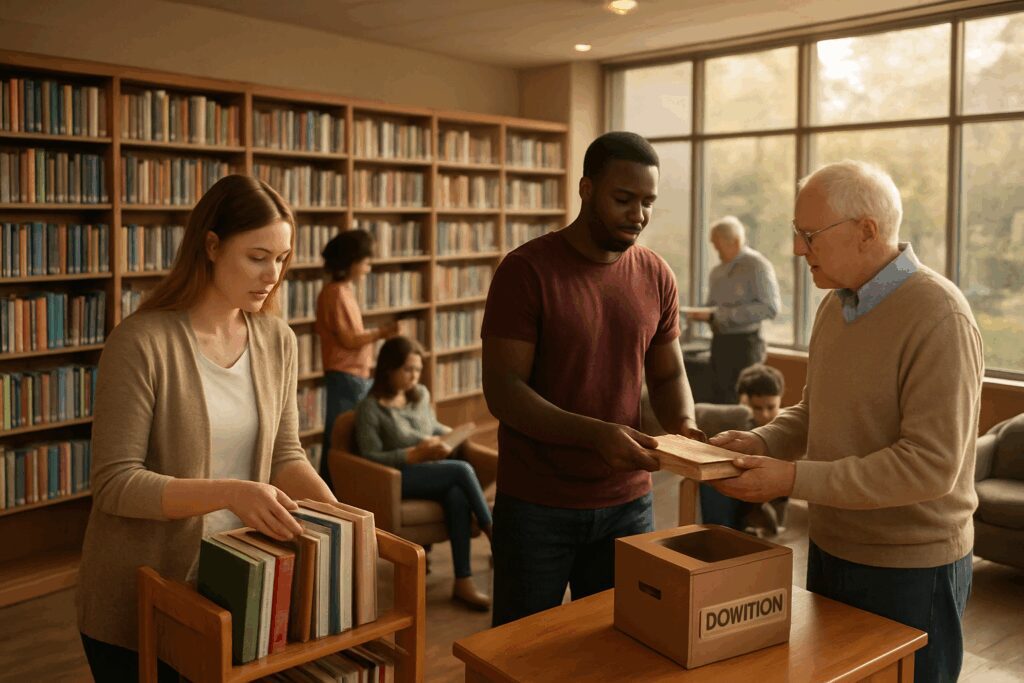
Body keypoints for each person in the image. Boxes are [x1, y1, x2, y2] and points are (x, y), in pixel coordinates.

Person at [709, 160, 983, 683]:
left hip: (911, 569)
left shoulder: (940, 316)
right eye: (796, 233)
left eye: (809, 235)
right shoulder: (834, 307)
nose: (795, 249)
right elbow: (816, 413)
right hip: (831, 549)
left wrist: (791, 479)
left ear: (867, 232)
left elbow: (928, 467)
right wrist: (762, 439)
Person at [77, 175, 337, 682]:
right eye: (258, 256)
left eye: (282, 259)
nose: (272, 274)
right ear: (212, 246)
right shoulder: (141, 342)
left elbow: (286, 454)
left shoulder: (277, 340)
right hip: (141, 595)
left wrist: (342, 518)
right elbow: (114, 484)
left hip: (241, 581)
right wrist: (230, 493)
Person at [481, 131, 704, 627]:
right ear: (585, 189)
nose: (638, 215)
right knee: (520, 652)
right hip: (538, 505)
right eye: (623, 199)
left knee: (618, 645)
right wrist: (595, 435)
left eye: (648, 202)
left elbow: (668, 375)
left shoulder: (656, 275)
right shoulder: (526, 271)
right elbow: (504, 392)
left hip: (629, 505)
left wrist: (684, 427)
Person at [353, 336, 494, 611]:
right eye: (408, 370)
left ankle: (463, 581)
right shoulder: (371, 408)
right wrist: (412, 455)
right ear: (388, 369)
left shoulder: (420, 395)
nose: (414, 376)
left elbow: (431, 427)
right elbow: (368, 456)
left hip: (430, 471)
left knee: (456, 495)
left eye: (418, 370)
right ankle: (491, 528)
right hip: (397, 478)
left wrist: (452, 437)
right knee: (462, 470)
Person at [315, 229, 396, 489]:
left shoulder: (343, 291)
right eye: (365, 262)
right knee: (340, 437)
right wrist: (381, 333)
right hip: (345, 375)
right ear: (351, 263)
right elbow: (349, 340)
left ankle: (341, 489)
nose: (368, 268)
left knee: (346, 436)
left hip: (354, 374)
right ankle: (331, 492)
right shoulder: (336, 293)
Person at [686, 216, 781, 404]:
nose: (716, 249)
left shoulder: (757, 266)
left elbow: (770, 308)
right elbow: (712, 307)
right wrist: (695, 313)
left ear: (735, 241)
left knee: (743, 401)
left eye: (718, 244)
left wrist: (721, 315)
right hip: (720, 344)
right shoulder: (717, 272)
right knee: (720, 400)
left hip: (746, 346)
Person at [699, 363, 787, 535]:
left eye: (771, 407)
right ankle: (721, 535)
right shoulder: (736, 416)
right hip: (730, 487)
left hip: (766, 496)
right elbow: (697, 412)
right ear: (744, 401)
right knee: (714, 479)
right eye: (757, 408)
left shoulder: (785, 424)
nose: (765, 415)